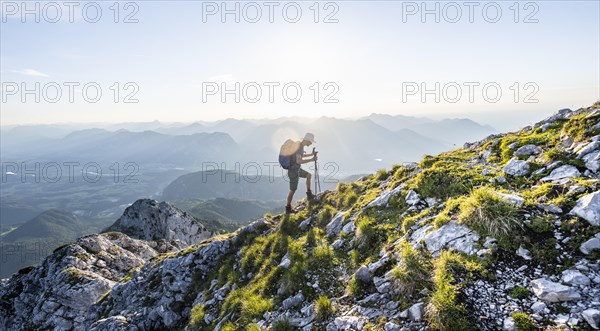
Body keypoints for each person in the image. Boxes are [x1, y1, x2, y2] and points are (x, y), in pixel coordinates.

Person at [286, 133, 318, 214]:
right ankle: (288, 207)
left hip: (296, 169)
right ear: (307, 140)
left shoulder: (300, 145)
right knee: (293, 190)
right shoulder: (299, 147)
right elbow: (298, 161)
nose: (311, 144)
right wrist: (311, 159)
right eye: (311, 142)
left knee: (308, 175)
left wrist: (311, 154)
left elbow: (300, 156)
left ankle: (309, 194)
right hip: (293, 171)